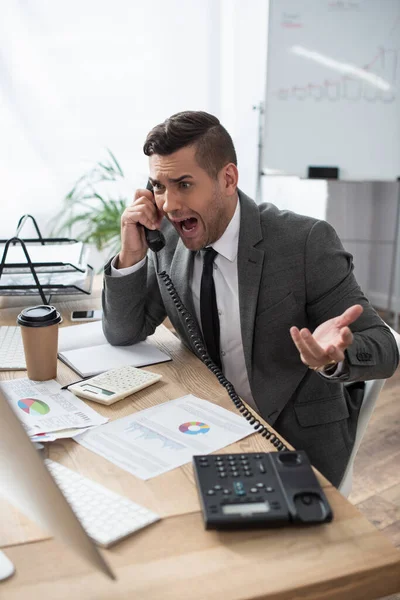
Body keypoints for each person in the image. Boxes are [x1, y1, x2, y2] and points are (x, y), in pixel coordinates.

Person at [102, 110, 398, 486]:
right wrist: (131, 253)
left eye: (184, 184)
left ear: (227, 179)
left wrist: (333, 357)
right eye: (159, 186)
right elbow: (123, 330)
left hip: (293, 441)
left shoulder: (304, 242)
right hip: (207, 425)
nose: (170, 205)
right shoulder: (168, 238)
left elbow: (385, 348)